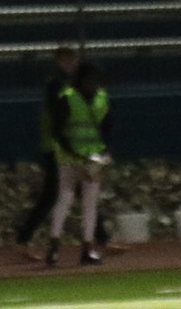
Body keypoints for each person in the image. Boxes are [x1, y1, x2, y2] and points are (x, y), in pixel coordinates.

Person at [43, 62, 111, 268]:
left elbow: (107, 126)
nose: (93, 84)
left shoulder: (101, 98)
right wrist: (77, 157)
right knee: (65, 197)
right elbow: (57, 131)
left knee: (90, 203)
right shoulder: (68, 97)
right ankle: (54, 247)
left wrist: (103, 153)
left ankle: (87, 249)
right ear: (81, 80)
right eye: (90, 80)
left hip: (90, 157)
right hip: (70, 158)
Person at [15, 45, 79, 258]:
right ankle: (23, 239)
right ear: (59, 61)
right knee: (53, 194)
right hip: (57, 147)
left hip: (63, 146)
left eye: (72, 59)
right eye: (67, 59)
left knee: (75, 190)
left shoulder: (67, 83)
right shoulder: (55, 84)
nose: (71, 63)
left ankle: (101, 239)